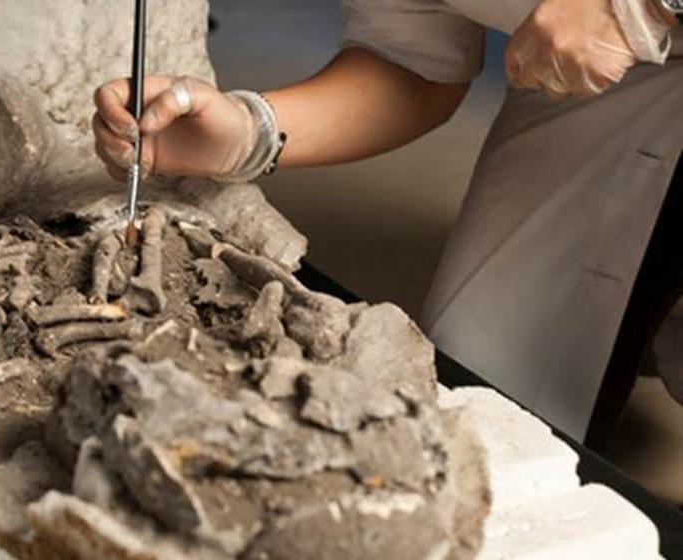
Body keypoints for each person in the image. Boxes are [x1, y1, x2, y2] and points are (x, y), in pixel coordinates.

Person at [92, 0, 683, 442]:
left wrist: (642, 6)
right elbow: (417, 61)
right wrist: (248, 134)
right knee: (481, 411)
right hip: (589, 79)